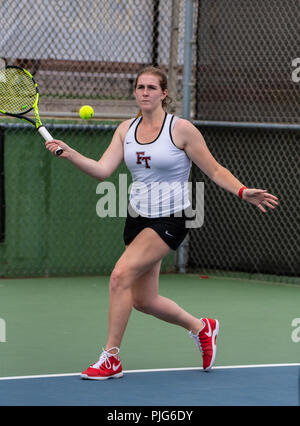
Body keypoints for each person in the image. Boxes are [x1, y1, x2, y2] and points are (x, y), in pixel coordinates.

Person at [45, 66, 278, 380]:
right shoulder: (125, 130)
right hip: (137, 218)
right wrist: (70, 153)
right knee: (144, 300)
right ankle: (202, 327)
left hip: (171, 218)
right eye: (140, 87)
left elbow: (214, 169)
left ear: (164, 93)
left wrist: (242, 190)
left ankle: (111, 357)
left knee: (120, 275)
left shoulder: (181, 129)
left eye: (151, 87)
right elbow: (103, 171)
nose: (144, 92)